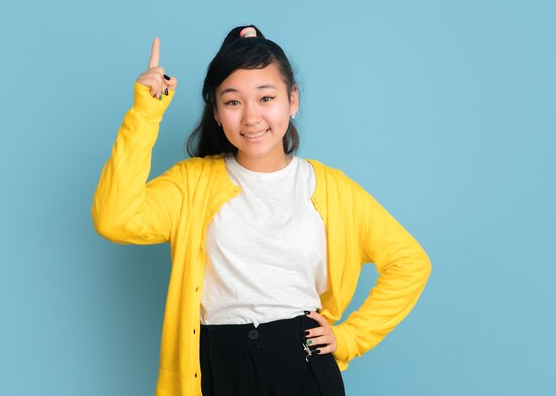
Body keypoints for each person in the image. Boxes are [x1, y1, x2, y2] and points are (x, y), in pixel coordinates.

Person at [92, 25, 431, 396]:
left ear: (292, 100)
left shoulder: (330, 188)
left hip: (301, 362)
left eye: (266, 98)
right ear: (217, 112)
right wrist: (145, 114)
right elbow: (115, 219)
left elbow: (410, 263)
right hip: (216, 367)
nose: (251, 117)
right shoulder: (192, 184)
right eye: (233, 101)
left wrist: (350, 337)